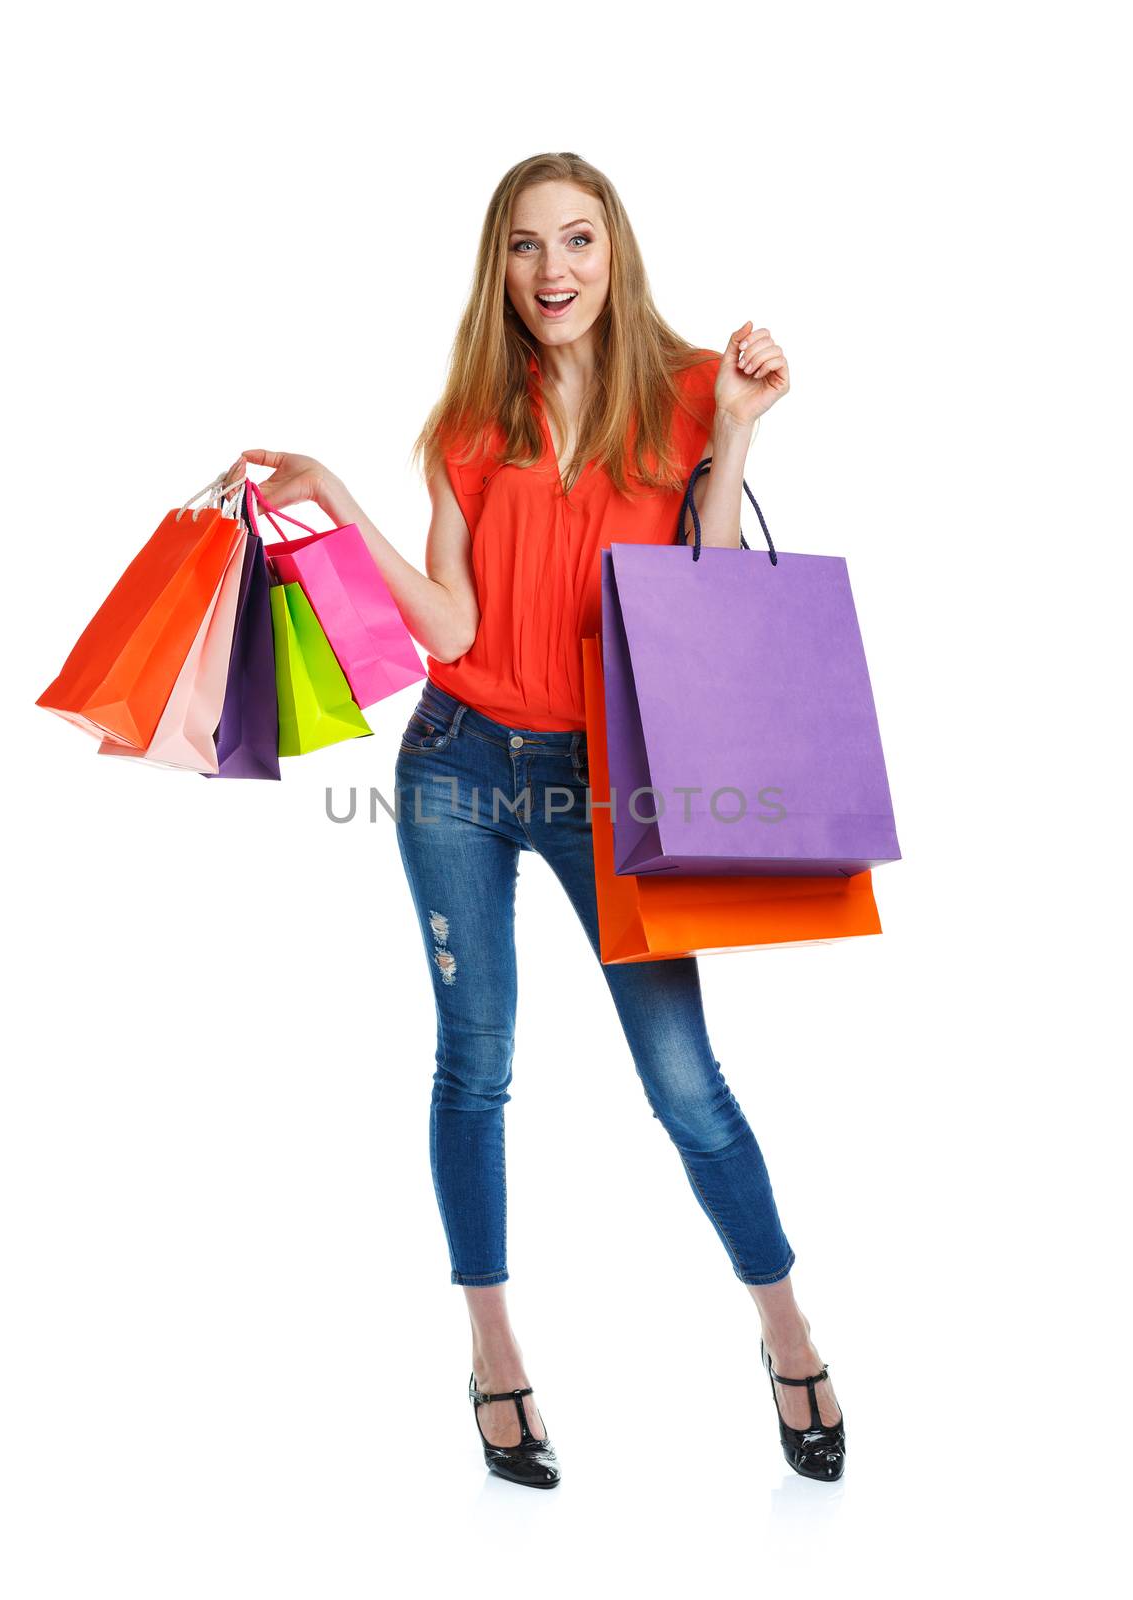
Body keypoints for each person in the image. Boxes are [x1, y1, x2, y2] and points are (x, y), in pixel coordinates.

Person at [229, 152, 844, 1488]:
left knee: (684, 1083)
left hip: (609, 780)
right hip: (454, 761)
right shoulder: (467, 418)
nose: (551, 272)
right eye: (523, 246)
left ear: (612, 252)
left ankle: (786, 1334)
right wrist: (340, 507)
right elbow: (448, 624)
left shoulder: (686, 393)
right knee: (474, 1063)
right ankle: (495, 1358)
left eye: (574, 241)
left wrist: (736, 431)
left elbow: (716, 601)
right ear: (495, 265)